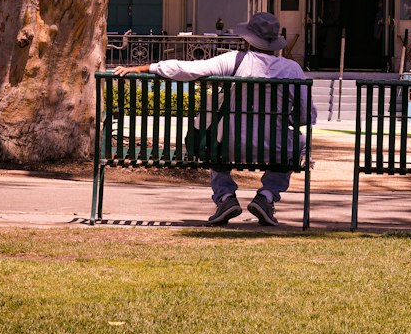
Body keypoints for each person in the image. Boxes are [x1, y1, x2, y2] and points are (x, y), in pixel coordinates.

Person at [118, 12, 313, 227]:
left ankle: (225, 197)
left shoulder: (234, 60)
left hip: (229, 147)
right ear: (275, 41)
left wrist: (146, 67)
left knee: (213, 137)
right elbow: (306, 116)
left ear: (249, 38)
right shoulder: (292, 69)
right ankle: (266, 196)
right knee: (299, 144)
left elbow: (188, 69)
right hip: (274, 149)